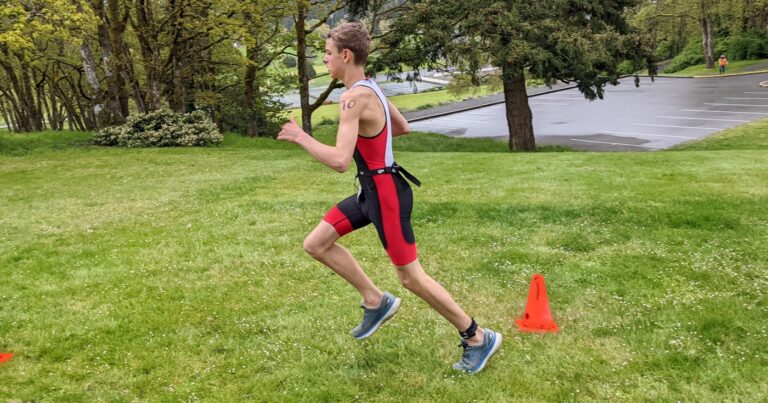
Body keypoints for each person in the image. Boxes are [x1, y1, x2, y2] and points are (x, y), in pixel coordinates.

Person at [277, 22, 502, 374]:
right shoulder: (371, 89)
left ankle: (477, 337)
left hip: (385, 195)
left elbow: (338, 160)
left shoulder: (352, 97)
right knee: (317, 243)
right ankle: (375, 300)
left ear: (345, 55)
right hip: (372, 190)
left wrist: (300, 137)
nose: (326, 59)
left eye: (328, 54)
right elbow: (401, 127)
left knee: (412, 278)